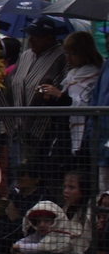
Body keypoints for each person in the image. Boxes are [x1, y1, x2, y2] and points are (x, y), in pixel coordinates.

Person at [5, 16, 67, 194]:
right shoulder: (25, 56)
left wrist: (54, 93)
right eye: (29, 35)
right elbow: (10, 84)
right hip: (18, 128)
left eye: (36, 36)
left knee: (39, 178)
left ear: (49, 37)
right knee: (19, 177)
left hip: (45, 132)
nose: (31, 39)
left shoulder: (61, 57)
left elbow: (65, 89)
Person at [37, 31, 103, 165]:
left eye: (73, 54)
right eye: (67, 53)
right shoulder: (71, 75)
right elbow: (64, 107)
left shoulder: (94, 75)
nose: (69, 58)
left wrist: (60, 96)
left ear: (85, 52)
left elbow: (84, 105)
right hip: (62, 135)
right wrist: (49, 98)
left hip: (82, 136)